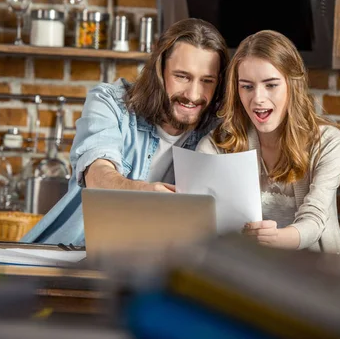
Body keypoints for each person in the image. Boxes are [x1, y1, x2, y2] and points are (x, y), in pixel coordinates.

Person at [21, 18, 229, 245]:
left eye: (207, 81)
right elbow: (98, 174)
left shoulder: (218, 128)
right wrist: (143, 193)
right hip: (72, 253)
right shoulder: (110, 102)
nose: (193, 94)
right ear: (159, 71)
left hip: (154, 268)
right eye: (182, 77)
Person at [197, 30, 340, 254]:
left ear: (292, 85)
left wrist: (272, 239)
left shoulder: (329, 142)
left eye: (271, 85)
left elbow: (314, 221)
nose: (257, 98)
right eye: (247, 86)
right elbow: (200, 221)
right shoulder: (217, 145)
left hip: (320, 277)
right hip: (248, 279)